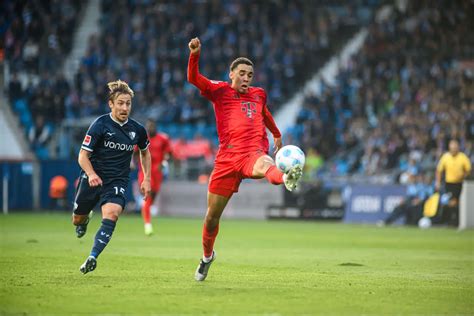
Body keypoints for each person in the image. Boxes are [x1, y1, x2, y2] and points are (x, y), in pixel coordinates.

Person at [187, 37, 303, 281]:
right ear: (231, 74)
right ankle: (207, 257)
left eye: (250, 74)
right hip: (227, 158)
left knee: (266, 164)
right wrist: (195, 55)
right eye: (242, 73)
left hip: (252, 152)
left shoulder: (259, 94)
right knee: (211, 218)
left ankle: (286, 177)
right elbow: (193, 79)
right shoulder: (219, 91)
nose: (247, 78)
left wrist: (277, 134)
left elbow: (265, 113)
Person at [72, 80, 151, 274]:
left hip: (117, 180)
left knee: (113, 213)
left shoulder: (137, 130)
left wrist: (146, 178)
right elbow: (83, 155)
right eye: (121, 103)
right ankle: (85, 219)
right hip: (93, 177)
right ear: (111, 104)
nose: (125, 107)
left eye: (128, 103)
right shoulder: (100, 125)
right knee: (77, 220)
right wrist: (90, 174)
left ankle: (92, 257)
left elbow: (145, 152)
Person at [134, 119, 171, 236]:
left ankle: (145, 210)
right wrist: (133, 163)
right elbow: (134, 153)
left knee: (152, 197)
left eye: (152, 126)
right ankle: (147, 224)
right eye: (148, 126)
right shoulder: (142, 138)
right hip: (144, 172)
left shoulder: (163, 139)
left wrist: (164, 161)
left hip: (157, 172)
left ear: (155, 127)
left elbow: (168, 152)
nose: (150, 128)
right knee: (147, 195)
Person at [435, 139, 472, 225]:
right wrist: (438, 182)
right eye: (452, 147)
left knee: (454, 202)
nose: (454, 148)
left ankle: (453, 221)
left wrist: (464, 176)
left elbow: (468, 170)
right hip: (449, 183)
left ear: (458, 147)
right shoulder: (445, 157)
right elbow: (439, 170)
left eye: (455, 146)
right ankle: (452, 220)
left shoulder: (463, 157)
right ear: (449, 147)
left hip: (459, 183)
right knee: (451, 202)